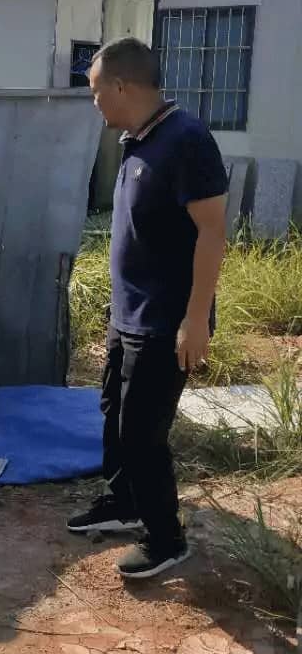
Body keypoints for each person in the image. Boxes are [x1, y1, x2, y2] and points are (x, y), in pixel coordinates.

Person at [67, 37, 228, 579]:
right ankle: (124, 502)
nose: (93, 102)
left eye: (95, 92)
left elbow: (212, 232)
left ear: (120, 86)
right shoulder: (139, 140)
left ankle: (165, 538)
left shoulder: (186, 140)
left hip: (165, 320)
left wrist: (195, 319)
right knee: (114, 415)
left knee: (143, 433)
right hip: (128, 314)